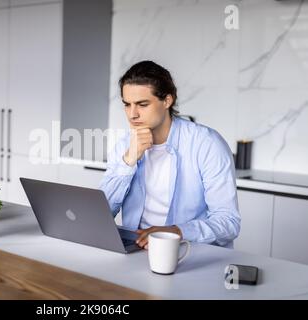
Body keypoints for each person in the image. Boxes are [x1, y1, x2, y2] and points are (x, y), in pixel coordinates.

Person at [99, 61, 240, 249]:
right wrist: (129, 161)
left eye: (142, 104)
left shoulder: (207, 144)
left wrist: (176, 232)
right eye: (127, 105)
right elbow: (102, 215)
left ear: (167, 100)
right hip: (136, 250)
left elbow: (228, 223)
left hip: (190, 252)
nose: (132, 114)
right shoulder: (125, 145)